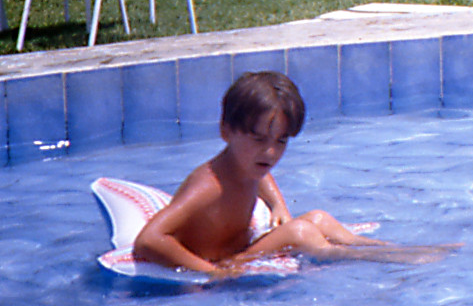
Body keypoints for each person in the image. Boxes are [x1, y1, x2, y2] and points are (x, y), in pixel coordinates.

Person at [134, 71, 455, 277]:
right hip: (223, 261)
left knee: (318, 218)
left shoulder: (247, 163)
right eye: (259, 139)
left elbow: (261, 174)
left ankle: (385, 246)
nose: (270, 153)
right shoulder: (208, 185)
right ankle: (387, 259)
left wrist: (278, 206)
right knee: (300, 232)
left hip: (239, 249)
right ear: (226, 131)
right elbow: (149, 240)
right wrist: (210, 272)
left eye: (281, 141)